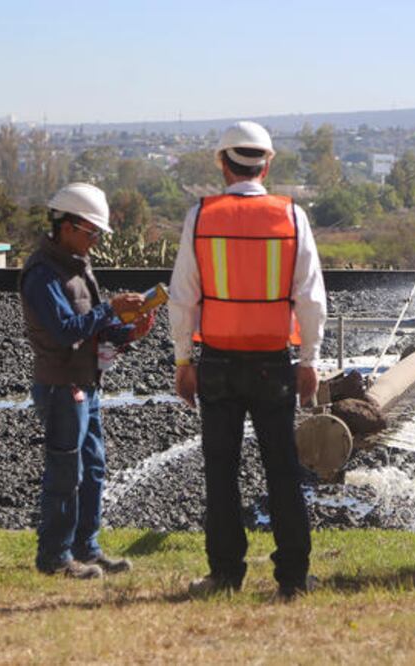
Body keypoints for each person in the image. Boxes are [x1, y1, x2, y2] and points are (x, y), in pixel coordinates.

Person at [169, 121, 326, 601]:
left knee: (221, 471)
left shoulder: (201, 217)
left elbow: (183, 297)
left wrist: (183, 360)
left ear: (222, 163)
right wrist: (309, 360)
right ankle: (292, 579)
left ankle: (224, 575)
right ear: (267, 164)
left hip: (216, 362)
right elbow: (311, 300)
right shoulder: (291, 217)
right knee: (283, 470)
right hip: (273, 364)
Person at [20, 182, 155, 579]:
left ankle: (86, 549)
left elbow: (92, 328)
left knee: (93, 468)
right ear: (68, 227)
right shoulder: (42, 274)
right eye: (92, 232)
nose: (95, 241)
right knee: (66, 472)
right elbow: (65, 331)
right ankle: (55, 557)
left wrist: (128, 332)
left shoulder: (77, 267)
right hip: (62, 385)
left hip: (84, 382)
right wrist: (110, 309)